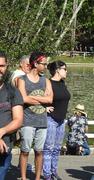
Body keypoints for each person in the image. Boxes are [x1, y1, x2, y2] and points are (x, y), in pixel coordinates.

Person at [18, 52, 53, 180]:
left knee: (39, 151)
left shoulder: (46, 80)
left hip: (42, 122)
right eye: (44, 64)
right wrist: (41, 99)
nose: (46, 66)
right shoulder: (22, 80)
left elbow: (50, 100)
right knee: (25, 150)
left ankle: (37, 178)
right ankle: (23, 177)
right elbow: (22, 99)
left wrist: (30, 97)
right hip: (27, 121)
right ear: (35, 63)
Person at [42, 60, 71, 180]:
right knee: (48, 148)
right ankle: (47, 175)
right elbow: (39, 96)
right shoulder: (47, 83)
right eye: (64, 69)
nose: (66, 71)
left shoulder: (63, 83)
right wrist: (44, 108)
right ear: (58, 70)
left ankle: (54, 172)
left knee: (57, 148)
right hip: (51, 119)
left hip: (61, 120)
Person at [0, 51, 24, 180]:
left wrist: (2, 131)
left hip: (4, 148)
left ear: (7, 66)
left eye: (1, 66)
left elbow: (18, 119)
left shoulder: (12, 91)